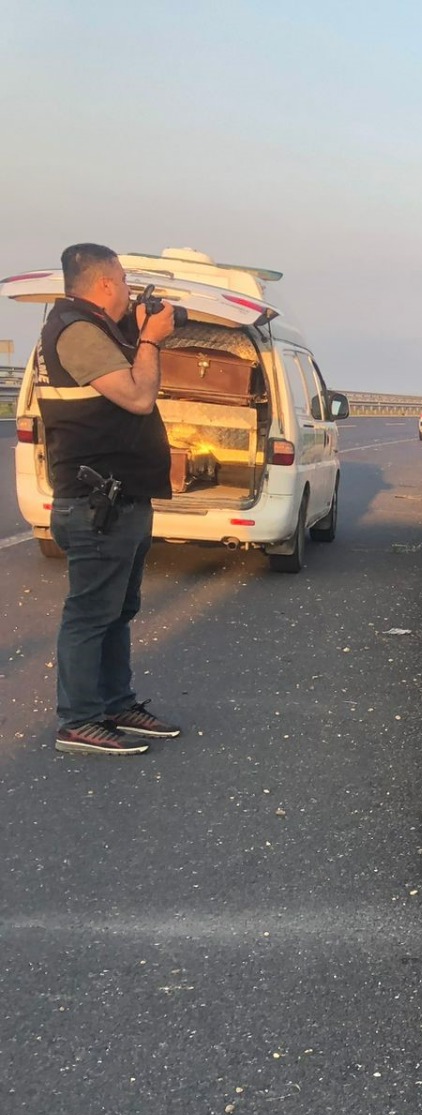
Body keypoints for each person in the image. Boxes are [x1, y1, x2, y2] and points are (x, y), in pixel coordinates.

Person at [37, 243, 185, 756]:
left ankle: (115, 703)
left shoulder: (99, 330)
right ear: (105, 284)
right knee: (89, 615)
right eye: (123, 283)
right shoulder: (76, 332)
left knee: (118, 610)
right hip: (96, 504)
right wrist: (149, 339)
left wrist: (140, 332)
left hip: (123, 500)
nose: (128, 292)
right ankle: (78, 721)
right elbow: (139, 397)